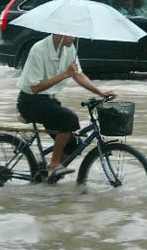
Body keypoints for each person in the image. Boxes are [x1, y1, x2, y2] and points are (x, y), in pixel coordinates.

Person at [16, 34, 118, 179]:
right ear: (59, 33)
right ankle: (54, 165)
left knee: (73, 145)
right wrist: (65, 74)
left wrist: (100, 92)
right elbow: (35, 88)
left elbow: (78, 75)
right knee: (69, 119)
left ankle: (48, 176)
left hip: (49, 102)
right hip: (30, 102)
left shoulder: (68, 49)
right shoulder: (39, 49)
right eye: (71, 35)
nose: (74, 39)